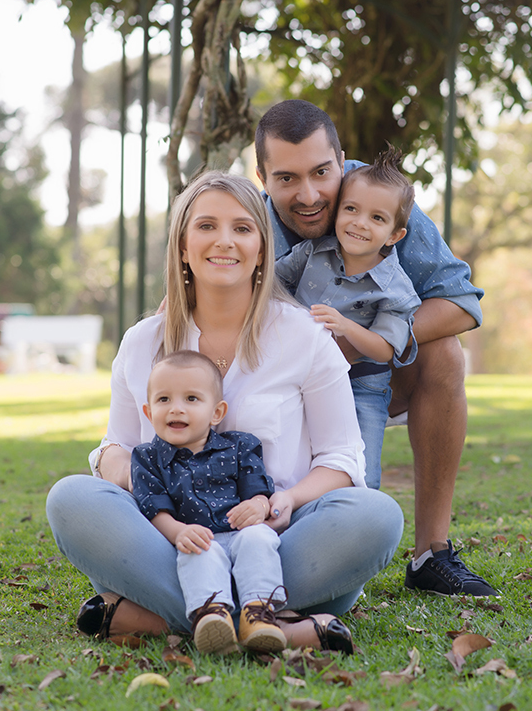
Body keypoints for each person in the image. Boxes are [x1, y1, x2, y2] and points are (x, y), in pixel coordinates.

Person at [46, 171, 404, 650]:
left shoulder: (306, 337)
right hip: (174, 543)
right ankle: (271, 622)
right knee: (72, 497)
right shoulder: (142, 343)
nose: (225, 241)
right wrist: (153, 487)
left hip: (278, 543)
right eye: (206, 226)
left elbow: (343, 461)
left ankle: (168, 617)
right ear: (182, 245)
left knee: (376, 515)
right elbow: (117, 448)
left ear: (261, 248)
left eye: (242, 228)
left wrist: (287, 502)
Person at [255, 99, 496, 597]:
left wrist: (366, 344)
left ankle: (432, 552)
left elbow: (461, 304)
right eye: (286, 179)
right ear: (262, 177)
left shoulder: (377, 198)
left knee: (444, 352)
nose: (309, 194)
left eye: (322, 172)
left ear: (342, 161)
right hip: (272, 381)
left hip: (367, 375)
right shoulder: (248, 217)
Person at [275, 148, 421, 490]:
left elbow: (385, 350)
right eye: (351, 209)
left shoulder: (396, 290)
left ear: (395, 235)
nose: (359, 223)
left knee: (360, 472)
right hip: (296, 374)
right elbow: (267, 284)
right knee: (293, 460)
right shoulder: (312, 252)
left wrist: (346, 326)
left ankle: (361, 517)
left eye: (377, 218)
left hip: (361, 385)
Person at [131, 350, 287, 654]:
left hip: (240, 532)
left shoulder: (240, 445)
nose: (176, 409)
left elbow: (259, 490)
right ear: (149, 413)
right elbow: (153, 505)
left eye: (191, 399)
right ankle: (212, 617)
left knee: (259, 538)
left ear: (216, 412)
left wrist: (258, 505)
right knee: (197, 553)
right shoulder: (147, 458)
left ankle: (259, 614)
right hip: (195, 537)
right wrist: (177, 532)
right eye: (164, 400)